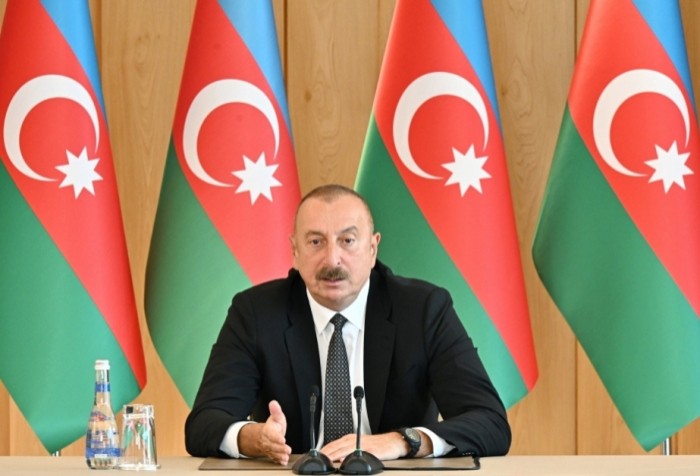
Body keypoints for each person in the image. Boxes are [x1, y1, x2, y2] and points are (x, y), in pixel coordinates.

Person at [185, 184, 510, 464]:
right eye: (315, 242)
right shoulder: (256, 313)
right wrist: (254, 438)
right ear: (295, 251)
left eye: (348, 241)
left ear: (372, 248)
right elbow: (203, 423)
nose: (332, 260)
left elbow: (491, 422)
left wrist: (401, 441)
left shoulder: (423, 309)